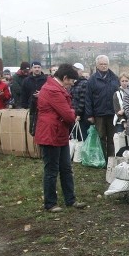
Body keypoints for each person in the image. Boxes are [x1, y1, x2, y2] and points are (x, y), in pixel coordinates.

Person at [34, 64, 86, 213]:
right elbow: (68, 115)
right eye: (71, 81)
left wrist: (70, 112)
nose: (71, 84)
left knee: (66, 168)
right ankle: (50, 203)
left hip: (59, 133)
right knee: (51, 170)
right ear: (64, 78)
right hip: (51, 134)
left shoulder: (55, 88)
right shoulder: (53, 91)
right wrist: (72, 112)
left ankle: (71, 199)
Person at [84, 55, 120, 159]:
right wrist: (89, 114)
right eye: (101, 64)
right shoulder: (92, 80)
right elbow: (88, 98)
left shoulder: (114, 78)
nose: (104, 66)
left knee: (112, 138)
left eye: (105, 64)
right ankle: (102, 158)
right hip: (98, 113)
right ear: (97, 65)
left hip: (113, 114)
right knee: (101, 137)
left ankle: (111, 158)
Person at [69, 62, 90, 141]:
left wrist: (79, 114)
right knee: (75, 137)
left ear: (81, 71)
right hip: (74, 113)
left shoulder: (84, 83)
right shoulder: (73, 83)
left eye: (77, 70)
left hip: (82, 116)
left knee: (82, 137)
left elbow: (83, 100)